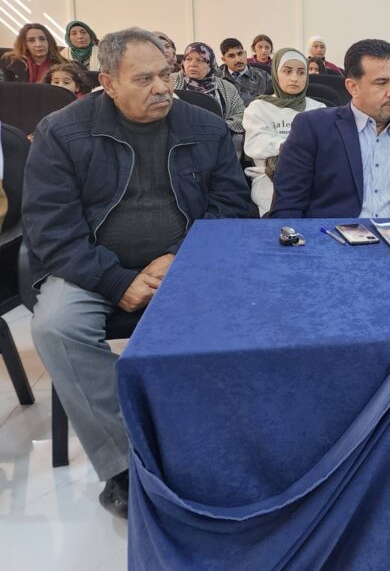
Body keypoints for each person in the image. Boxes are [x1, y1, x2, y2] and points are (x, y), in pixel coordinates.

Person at [23, 27, 249, 519]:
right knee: (55, 327)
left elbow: (234, 207)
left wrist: (180, 258)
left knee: (250, 316)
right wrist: (116, 281)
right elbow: (50, 229)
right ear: (107, 82)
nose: (163, 87)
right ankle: (127, 465)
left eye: (166, 74)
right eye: (144, 79)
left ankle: (218, 447)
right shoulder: (62, 131)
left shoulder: (205, 126)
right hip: (90, 269)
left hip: (187, 263)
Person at [270, 39, 390, 218]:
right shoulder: (313, 128)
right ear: (353, 87)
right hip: (331, 235)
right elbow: (287, 208)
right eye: (381, 82)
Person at [243, 48, 325, 216]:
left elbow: (327, 147)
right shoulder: (259, 108)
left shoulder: (319, 108)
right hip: (270, 179)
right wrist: (299, 147)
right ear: (275, 73)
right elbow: (256, 145)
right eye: (287, 71)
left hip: (315, 177)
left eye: (301, 72)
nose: (294, 78)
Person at [172, 42, 245, 136]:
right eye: (188, 59)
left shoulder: (227, 87)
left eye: (201, 60)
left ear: (210, 64)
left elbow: (240, 115)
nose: (192, 64)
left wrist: (217, 126)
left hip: (217, 135)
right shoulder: (170, 82)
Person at [219, 37, 271, 106]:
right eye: (231, 56)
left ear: (245, 54)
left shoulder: (264, 77)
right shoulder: (216, 81)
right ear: (224, 60)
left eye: (240, 54)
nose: (238, 59)